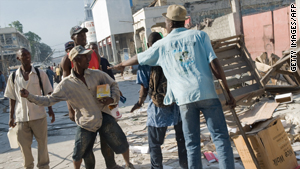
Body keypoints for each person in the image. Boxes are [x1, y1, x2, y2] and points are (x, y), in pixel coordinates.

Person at [109, 4, 236, 169]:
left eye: (166, 20)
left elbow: (139, 58)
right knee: (220, 138)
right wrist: (228, 93)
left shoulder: (162, 45)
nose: (165, 23)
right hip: (207, 93)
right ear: (183, 21)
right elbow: (216, 66)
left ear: (169, 22)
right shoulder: (200, 36)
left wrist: (121, 64)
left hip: (184, 99)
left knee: (192, 144)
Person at [21, 46, 135, 169]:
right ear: (75, 59)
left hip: (104, 115)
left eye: (88, 56)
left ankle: (128, 164)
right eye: (85, 56)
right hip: (86, 122)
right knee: (79, 152)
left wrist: (112, 99)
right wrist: (29, 96)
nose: (88, 59)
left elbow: (113, 84)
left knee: (120, 140)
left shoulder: (96, 74)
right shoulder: (66, 84)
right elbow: (49, 99)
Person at [61, 26, 123, 169]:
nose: (83, 37)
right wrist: (70, 109)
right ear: (73, 38)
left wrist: (111, 99)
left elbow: (103, 77)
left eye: (84, 34)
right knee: (87, 143)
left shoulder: (94, 54)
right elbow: (66, 87)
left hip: (102, 102)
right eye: (79, 35)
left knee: (107, 137)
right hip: (84, 107)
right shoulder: (67, 59)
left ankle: (111, 165)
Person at [131, 32, 188, 169]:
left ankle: (157, 167)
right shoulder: (172, 55)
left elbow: (144, 88)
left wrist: (139, 103)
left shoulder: (145, 62)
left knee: (155, 144)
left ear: (148, 45)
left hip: (158, 108)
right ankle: (186, 165)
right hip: (177, 105)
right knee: (182, 140)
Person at [5, 48, 55, 169]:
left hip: (39, 115)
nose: (27, 56)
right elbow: (12, 98)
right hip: (21, 118)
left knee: (42, 145)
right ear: (18, 58)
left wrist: (50, 110)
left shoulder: (39, 73)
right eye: (24, 55)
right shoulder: (13, 77)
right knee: (24, 147)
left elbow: (48, 93)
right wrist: (11, 117)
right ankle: (28, 167)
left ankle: (43, 166)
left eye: (28, 54)